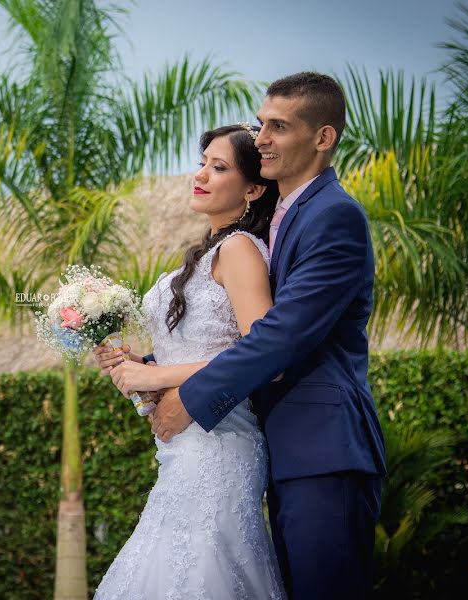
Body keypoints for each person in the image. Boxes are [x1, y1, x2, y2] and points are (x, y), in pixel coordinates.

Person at [147, 72, 386, 599]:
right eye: (260, 125)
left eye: (278, 127)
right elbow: (232, 328)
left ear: (323, 138)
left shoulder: (335, 215)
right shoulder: (276, 219)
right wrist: (147, 364)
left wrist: (188, 395)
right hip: (277, 449)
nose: (261, 140)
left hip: (324, 450)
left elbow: (281, 335)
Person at [92, 123, 285, 599]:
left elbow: (261, 355)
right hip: (181, 453)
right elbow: (203, 350)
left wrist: (153, 373)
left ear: (253, 188)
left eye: (218, 167)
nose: (200, 174)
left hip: (220, 448)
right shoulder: (208, 252)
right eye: (202, 163)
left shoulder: (240, 250)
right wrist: (136, 363)